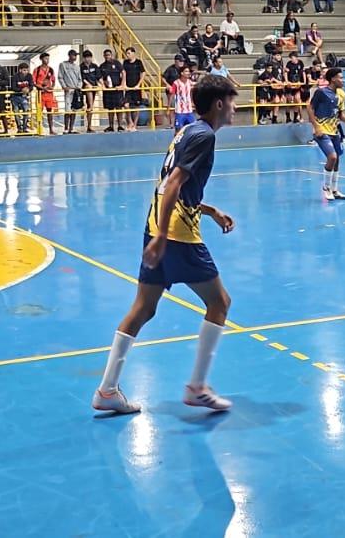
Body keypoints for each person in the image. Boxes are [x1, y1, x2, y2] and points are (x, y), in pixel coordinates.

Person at [91, 74, 239, 416]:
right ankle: (197, 387)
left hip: (157, 225)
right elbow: (173, 183)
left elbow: (171, 186)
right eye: (232, 102)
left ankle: (107, 390)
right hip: (176, 234)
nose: (235, 108)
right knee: (220, 302)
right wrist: (162, 237)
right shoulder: (204, 136)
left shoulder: (186, 131)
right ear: (219, 104)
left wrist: (209, 210)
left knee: (144, 308)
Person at [309, 67, 345, 201]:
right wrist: (316, 127)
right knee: (332, 157)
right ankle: (326, 188)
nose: (343, 80)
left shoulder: (341, 94)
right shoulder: (321, 92)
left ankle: (335, 190)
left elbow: (340, 114)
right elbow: (309, 108)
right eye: (341, 78)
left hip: (334, 130)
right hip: (322, 130)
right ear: (333, 79)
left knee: (337, 159)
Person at [57, 48, 83, 135]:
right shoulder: (63, 65)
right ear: (69, 55)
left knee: (74, 109)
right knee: (67, 110)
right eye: (73, 55)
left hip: (76, 91)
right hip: (68, 91)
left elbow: (80, 79)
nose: (74, 57)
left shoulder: (77, 67)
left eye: (75, 55)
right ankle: (66, 128)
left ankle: (71, 128)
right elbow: (60, 77)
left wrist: (78, 88)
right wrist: (64, 86)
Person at [32, 52, 58, 135]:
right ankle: (39, 130)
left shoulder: (51, 70)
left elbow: (53, 80)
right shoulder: (37, 70)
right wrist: (42, 88)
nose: (47, 60)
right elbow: (33, 82)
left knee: (50, 111)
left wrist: (52, 87)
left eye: (48, 58)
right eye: (45, 58)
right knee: (39, 111)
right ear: (41, 59)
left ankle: (51, 129)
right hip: (40, 93)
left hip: (49, 94)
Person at [121, 46, 146, 131]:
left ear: (133, 53)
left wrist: (138, 85)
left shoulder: (138, 62)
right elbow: (124, 73)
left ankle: (134, 125)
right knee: (126, 105)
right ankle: (130, 122)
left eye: (129, 53)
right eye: (126, 53)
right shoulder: (125, 62)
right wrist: (124, 84)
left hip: (136, 88)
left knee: (136, 107)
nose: (127, 55)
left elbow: (143, 73)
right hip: (128, 88)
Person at [169, 65, 196, 131]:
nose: (188, 73)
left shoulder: (189, 82)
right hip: (180, 111)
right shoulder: (176, 83)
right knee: (178, 130)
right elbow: (172, 95)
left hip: (189, 111)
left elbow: (192, 91)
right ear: (182, 73)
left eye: (188, 71)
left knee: (193, 129)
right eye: (186, 71)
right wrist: (168, 107)